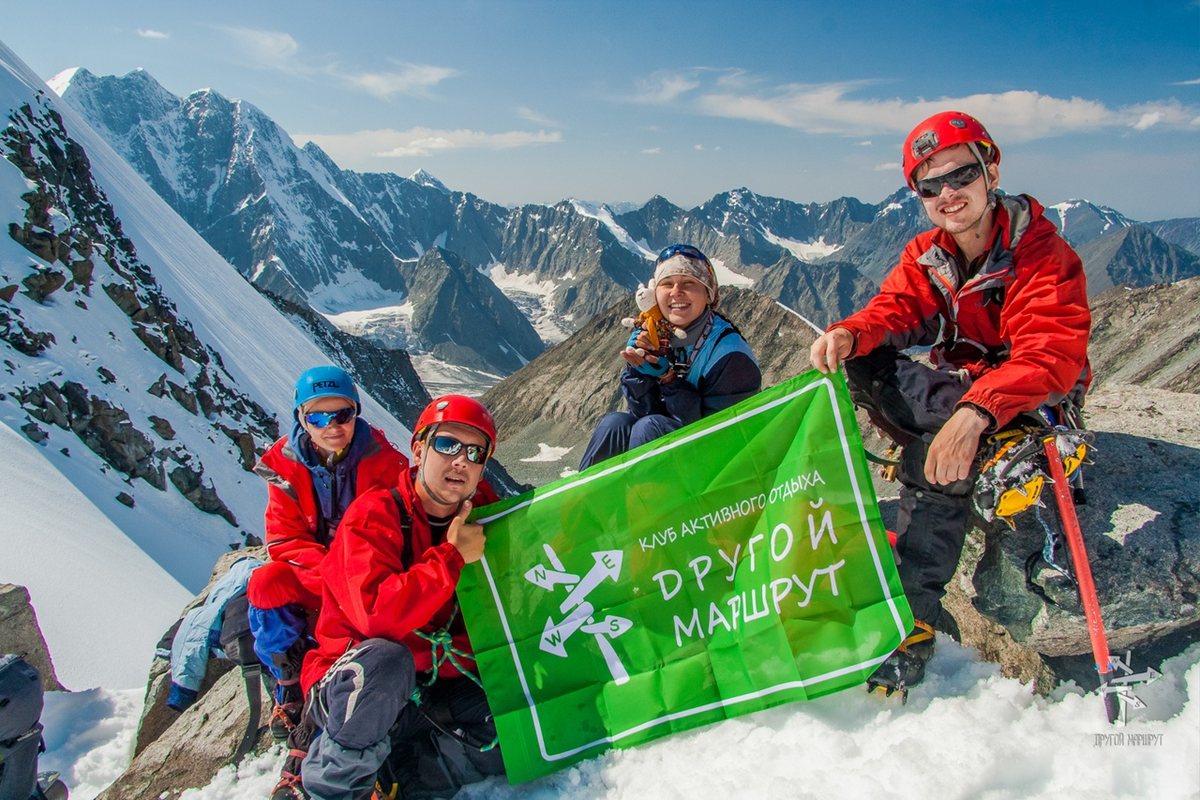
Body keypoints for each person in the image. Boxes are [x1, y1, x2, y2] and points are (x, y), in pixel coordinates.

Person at [809, 111, 1091, 695]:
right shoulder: (928, 252)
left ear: (991, 169)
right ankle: (995, 454)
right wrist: (849, 333)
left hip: (1030, 398)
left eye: (959, 175)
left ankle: (913, 620)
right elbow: (895, 312)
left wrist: (974, 415)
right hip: (963, 391)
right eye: (929, 185)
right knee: (862, 358)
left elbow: (1049, 355)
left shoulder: (1042, 254)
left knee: (931, 471)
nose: (947, 194)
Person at [283, 395, 505, 800]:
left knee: (517, 716)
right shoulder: (375, 514)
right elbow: (375, 618)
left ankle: (401, 769)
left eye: (475, 453)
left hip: (432, 688)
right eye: (447, 445)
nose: (461, 461)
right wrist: (451, 557)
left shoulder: (488, 518)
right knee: (387, 661)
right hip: (355, 684)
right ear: (419, 448)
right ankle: (329, 789)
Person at [248, 366, 405, 742]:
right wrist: (333, 574)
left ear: (356, 412)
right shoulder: (284, 467)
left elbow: (395, 533)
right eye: (317, 417)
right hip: (321, 579)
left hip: (363, 581)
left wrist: (350, 579)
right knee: (265, 583)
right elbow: (284, 540)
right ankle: (287, 680)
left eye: (342, 415)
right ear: (301, 418)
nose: (331, 426)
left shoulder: (386, 463)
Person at [579, 243, 762, 469]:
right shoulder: (657, 335)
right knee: (614, 424)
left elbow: (719, 435)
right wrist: (639, 370)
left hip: (719, 464)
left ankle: (642, 502)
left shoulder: (729, 354)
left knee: (649, 429)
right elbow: (642, 412)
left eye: (689, 283)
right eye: (667, 284)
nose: (676, 292)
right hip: (670, 450)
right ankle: (580, 499)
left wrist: (668, 379)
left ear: (708, 295)